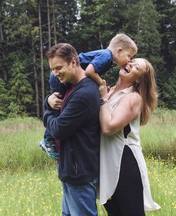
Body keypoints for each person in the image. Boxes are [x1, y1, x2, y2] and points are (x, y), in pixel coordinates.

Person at [40, 33, 138, 159]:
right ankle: (48, 140)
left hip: (58, 77)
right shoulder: (106, 57)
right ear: (119, 51)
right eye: (129, 56)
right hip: (57, 77)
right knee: (59, 107)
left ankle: (49, 140)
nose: (129, 61)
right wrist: (101, 83)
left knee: (60, 105)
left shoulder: (105, 56)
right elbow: (89, 71)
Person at [43, 43, 100, 216]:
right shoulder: (70, 87)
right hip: (70, 171)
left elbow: (59, 129)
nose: (55, 73)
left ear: (74, 62)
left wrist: (46, 112)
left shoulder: (84, 94)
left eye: (59, 67)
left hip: (79, 173)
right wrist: (48, 101)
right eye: (53, 69)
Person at [98, 58, 161, 215]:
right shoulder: (110, 91)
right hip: (107, 161)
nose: (130, 65)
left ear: (139, 78)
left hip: (124, 160)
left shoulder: (133, 98)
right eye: (131, 62)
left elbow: (108, 127)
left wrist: (103, 99)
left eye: (136, 67)